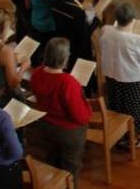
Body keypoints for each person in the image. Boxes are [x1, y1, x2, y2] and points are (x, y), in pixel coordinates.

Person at [27, 38, 91, 183]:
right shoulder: (68, 83)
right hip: (67, 131)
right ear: (64, 58)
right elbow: (81, 117)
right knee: (71, 168)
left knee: (52, 160)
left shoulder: (36, 73)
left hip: (45, 125)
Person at [99, 3, 140, 148]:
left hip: (111, 74)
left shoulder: (106, 31)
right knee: (132, 108)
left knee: (116, 103)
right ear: (132, 20)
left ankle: (118, 134)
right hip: (131, 78)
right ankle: (132, 139)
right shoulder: (136, 40)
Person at [50, 0, 96, 70]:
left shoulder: (55, 3)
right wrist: (96, 21)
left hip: (64, 43)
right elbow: (84, 37)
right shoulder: (78, 13)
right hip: (79, 50)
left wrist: (79, 0)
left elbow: (67, 6)